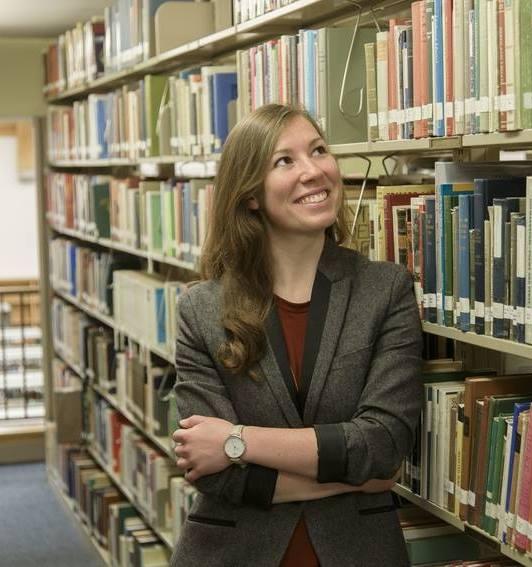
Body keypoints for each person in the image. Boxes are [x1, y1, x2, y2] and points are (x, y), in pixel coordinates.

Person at [171, 103, 423, 567]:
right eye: (284, 161)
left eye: (319, 150)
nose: (313, 171)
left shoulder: (386, 290)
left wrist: (236, 441)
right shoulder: (201, 309)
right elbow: (211, 475)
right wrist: (355, 476)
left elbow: (384, 446)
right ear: (250, 195)